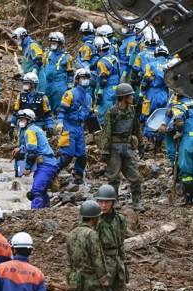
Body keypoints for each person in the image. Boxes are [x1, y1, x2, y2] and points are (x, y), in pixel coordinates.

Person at [66, 200, 112, 291]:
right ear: (94, 218)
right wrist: (105, 281)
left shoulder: (72, 234)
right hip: (91, 282)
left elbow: (68, 261)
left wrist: (70, 281)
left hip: (76, 281)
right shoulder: (91, 235)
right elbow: (98, 261)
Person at [101, 83, 144, 211]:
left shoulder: (132, 111)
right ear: (123, 97)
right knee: (113, 177)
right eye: (130, 95)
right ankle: (114, 202)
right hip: (114, 147)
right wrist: (105, 150)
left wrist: (141, 145)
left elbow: (137, 129)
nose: (132, 97)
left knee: (135, 176)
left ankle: (137, 202)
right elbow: (106, 132)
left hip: (127, 146)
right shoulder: (112, 112)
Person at [95, 184, 128, 291]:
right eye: (101, 202)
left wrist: (124, 265)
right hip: (102, 262)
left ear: (112, 202)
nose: (103, 205)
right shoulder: (94, 219)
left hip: (117, 263)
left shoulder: (120, 219)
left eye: (107, 202)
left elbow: (121, 244)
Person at [14, 109, 58, 209]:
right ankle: (46, 211)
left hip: (45, 164)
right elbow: (33, 146)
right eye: (20, 119)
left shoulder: (30, 131)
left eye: (23, 119)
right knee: (42, 191)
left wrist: (27, 168)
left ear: (29, 120)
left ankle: (34, 212)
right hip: (48, 163)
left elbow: (32, 151)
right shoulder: (35, 129)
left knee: (36, 191)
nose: (21, 121)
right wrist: (20, 148)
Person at [56, 68, 94, 184]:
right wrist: (60, 122)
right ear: (77, 80)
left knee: (82, 156)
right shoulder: (70, 93)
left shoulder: (89, 98)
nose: (85, 80)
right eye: (83, 78)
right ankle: (52, 171)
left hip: (79, 127)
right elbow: (62, 109)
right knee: (67, 155)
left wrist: (94, 128)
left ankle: (78, 176)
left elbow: (89, 114)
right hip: (68, 125)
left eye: (87, 78)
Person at [141, 45, 170, 152]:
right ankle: (159, 144)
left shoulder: (150, 65)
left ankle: (150, 141)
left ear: (156, 54)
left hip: (152, 93)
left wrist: (143, 92)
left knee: (149, 117)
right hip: (165, 94)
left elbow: (146, 79)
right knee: (162, 117)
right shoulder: (169, 65)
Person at [9, 72, 53, 138]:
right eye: (24, 83)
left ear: (33, 84)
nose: (24, 85)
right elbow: (15, 112)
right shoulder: (20, 96)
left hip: (38, 125)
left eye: (27, 83)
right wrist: (12, 125)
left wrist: (50, 126)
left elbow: (48, 114)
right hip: (24, 124)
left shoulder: (43, 97)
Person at [44, 32, 74, 114]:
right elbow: (42, 68)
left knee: (59, 106)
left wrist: (70, 86)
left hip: (59, 85)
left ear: (60, 43)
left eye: (55, 42)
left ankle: (58, 122)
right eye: (51, 42)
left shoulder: (67, 57)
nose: (52, 44)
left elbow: (70, 73)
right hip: (47, 84)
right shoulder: (47, 54)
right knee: (46, 105)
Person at [95, 36, 121, 125]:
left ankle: (103, 132)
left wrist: (99, 93)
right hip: (116, 88)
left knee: (104, 113)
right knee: (115, 112)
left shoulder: (101, 62)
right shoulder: (114, 58)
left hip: (107, 90)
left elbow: (103, 80)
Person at [12, 27, 46, 93]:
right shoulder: (25, 47)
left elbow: (40, 58)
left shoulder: (33, 45)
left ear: (21, 36)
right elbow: (29, 62)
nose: (16, 40)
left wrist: (34, 71)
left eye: (16, 38)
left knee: (38, 98)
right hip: (29, 79)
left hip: (37, 78)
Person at [118, 18, 138, 83]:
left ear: (131, 27)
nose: (123, 28)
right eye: (123, 25)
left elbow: (130, 60)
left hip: (125, 68)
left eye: (125, 26)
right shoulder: (126, 37)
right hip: (121, 66)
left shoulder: (132, 40)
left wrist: (125, 72)